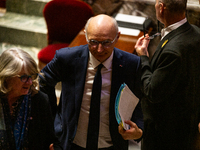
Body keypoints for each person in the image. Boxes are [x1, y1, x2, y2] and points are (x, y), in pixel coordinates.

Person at [39, 14, 143, 150]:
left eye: (106, 42)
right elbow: (42, 82)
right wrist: (54, 122)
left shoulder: (131, 64)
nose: (99, 49)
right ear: (86, 35)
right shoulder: (66, 58)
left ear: (117, 37)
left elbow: (141, 100)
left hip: (112, 144)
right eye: (93, 42)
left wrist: (139, 130)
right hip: (71, 143)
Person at [128, 0, 200, 149]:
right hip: (187, 119)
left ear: (161, 8)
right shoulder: (195, 32)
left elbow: (151, 90)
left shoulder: (172, 51)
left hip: (165, 133)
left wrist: (143, 56)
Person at [0, 48, 62, 150]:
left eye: (32, 76)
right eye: (23, 77)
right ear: (7, 76)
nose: (29, 82)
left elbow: (51, 139)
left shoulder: (40, 101)